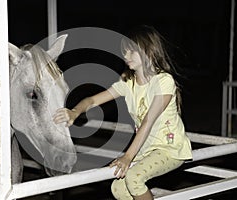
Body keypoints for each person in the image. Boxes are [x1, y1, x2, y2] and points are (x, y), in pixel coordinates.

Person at [53, 25, 193, 200]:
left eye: (131, 52)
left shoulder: (164, 81)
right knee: (118, 188)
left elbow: (148, 121)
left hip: (169, 148)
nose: (125, 57)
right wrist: (75, 111)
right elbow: (93, 100)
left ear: (148, 51)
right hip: (146, 149)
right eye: (124, 52)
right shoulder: (128, 83)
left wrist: (127, 156)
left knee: (134, 178)